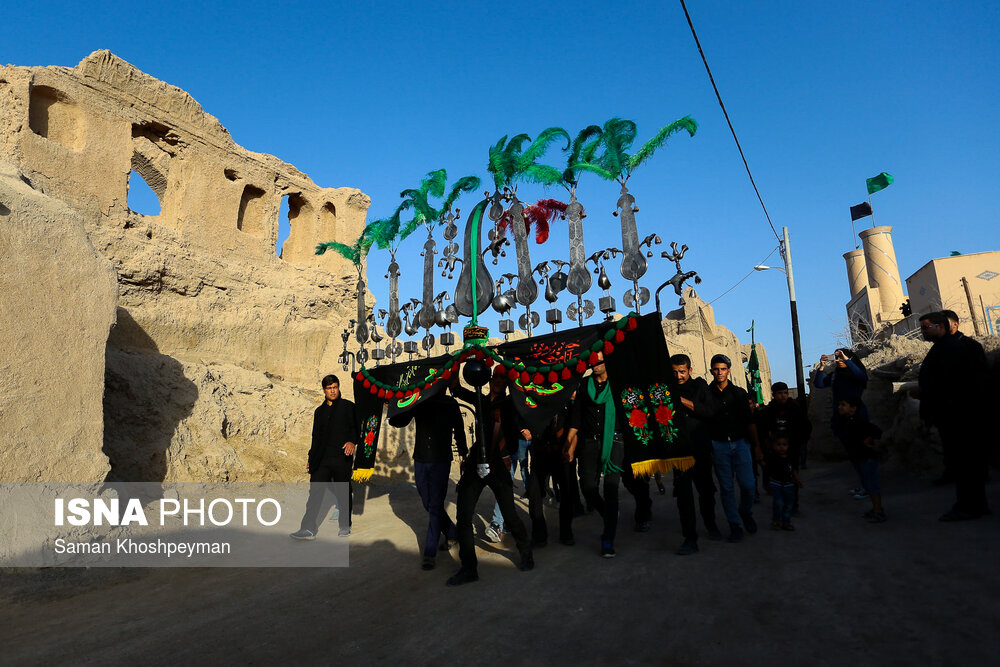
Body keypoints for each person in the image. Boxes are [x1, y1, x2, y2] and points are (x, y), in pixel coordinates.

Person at [447, 371, 533, 585]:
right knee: (464, 517)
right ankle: (469, 569)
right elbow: (457, 390)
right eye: (495, 376)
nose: (497, 381)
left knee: (510, 516)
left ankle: (526, 553)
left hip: (499, 466)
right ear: (488, 378)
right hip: (477, 463)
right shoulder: (481, 400)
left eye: (502, 378)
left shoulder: (511, 403)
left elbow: (528, 405)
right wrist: (455, 363)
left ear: (507, 382)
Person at [915, 311, 991, 521]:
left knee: (967, 463)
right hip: (953, 415)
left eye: (926, 327)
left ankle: (970, 506)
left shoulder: (957, 347)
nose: (922, 332)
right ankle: (973, 503)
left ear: (941, 326)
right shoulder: (944, 347)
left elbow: (962, 382)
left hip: (961, 415)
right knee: (963, 463)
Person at [388, 391, 468, 570]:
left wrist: (464, 455)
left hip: (441, 459)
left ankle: (429, 553)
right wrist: (394, 405)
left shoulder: (450, 404)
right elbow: (402, 419)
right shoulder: (420, 400)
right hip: (421, 458)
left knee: (435, 505)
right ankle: (452, 532)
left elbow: (459, 430)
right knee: (428, 503)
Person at [564, 352, 626, 558]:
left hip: (614, 442)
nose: (596, 364)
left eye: (599, 360)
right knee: (588, 487)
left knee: (610, 488)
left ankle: (608, 540)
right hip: (588, 442)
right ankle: (608, 513)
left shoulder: (618, 383)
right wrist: (570, 445)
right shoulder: (584, 385)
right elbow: (576, 417)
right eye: (592, 361)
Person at [698, 354, 760, 543]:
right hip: (719, 446)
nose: (719, 372)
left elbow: (750, 422)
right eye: (716, 369)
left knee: (748, 485)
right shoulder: (706, 394)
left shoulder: (739, 394)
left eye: (723, 369)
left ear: (729, 371)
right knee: (726, 488)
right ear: (711, 371)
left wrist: (756, 446)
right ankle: (735, 525)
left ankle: (745, 512)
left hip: (740, 443)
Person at [291, 374, 357, 540]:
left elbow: (356, 427)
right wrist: (311, 458)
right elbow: (316, 437)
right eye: (329, 388)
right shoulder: (319, 412)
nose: (332, 391)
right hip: (321, 459)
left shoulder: (348, 407)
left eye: (335, 387)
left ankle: (344, 525)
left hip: (342, 457)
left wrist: (352, 442)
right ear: (324, 390)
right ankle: (308, 528)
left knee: (343, 491)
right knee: (315, 493)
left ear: (338, 387)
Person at [669, 353, 722, 555]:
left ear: (689, 370)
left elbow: (709, 411)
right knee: (683, 496)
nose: (678, 376)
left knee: (706, 492)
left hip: (700, 449)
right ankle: (690, 538)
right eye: (674, 372)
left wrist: (682, 401)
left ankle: (711, 524)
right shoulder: (667, 388)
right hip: (679, 451)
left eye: (682, 372)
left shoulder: (700, 387)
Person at [813, 348, 869, 498]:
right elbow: (818, 384)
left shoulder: (855, 374)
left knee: (861, 455)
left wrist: (847, 360)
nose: (838, 360)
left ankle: (868, 486)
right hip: (841, 420)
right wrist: (822, 366)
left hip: (857, 418)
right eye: (836, 357)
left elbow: (861, 376)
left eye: (841, 357)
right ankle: (864, 485)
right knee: (853, 455)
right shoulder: (835, 376)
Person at [759, 381, 812, 511]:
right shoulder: (769, 410)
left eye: (785, 393)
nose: (783, 396)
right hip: (775, 451)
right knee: (777, 478)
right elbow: (763, 431)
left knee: (792, 475)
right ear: (774, 395)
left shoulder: (794, 407)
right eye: (779, 393)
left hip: (792, 448)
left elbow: (805, 425)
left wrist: (801, 441)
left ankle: (793, 504)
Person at [832, 397, 885, 523]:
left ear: (853, 408)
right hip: (858, 459)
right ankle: (876, 509)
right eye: (839, 404)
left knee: (872, 486)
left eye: (843, 404)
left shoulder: (859, 422)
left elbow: (877, 431)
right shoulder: (846, 422)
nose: (840, 407)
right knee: (868, 485)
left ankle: (879, 512)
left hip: (866, 458)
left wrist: (868, 440)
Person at [765, 434, 802, 530]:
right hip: (776, 483)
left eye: (784, 444)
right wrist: (767, 483)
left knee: (788, 505)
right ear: (774, 446)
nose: (781, 447)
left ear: (788, 446)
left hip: (789, 485)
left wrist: (797, 480)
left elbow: (794, 470)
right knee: (778, 503)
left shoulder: (790, 458)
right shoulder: (772, 457)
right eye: (778, 444)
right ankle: (776, 521)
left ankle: (786, 522)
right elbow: (767, 470)